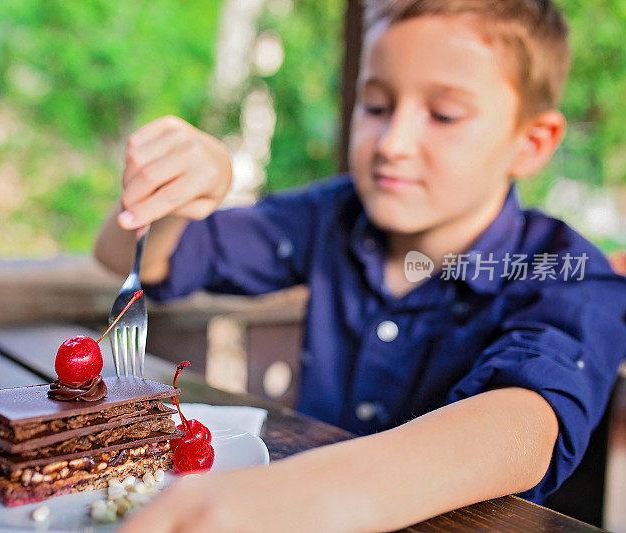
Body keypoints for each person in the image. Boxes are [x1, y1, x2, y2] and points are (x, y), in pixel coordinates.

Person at [94, 1, 626, 531]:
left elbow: (525, 426)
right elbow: (122, 256)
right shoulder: (329, 217)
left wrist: (311, 496)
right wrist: (172, 199)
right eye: (375, 106)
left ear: (531, 142)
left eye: (443, 115)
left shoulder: (569, 270)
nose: (392, 143)